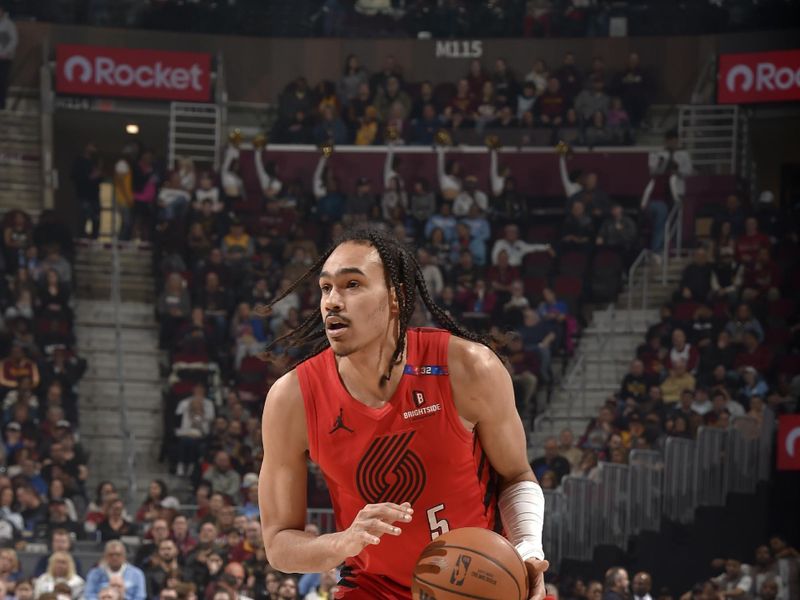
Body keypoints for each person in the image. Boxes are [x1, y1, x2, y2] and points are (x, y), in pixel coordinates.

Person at [257, 230, 548, 600]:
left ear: (396, 298)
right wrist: (342, 542)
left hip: (480, 580)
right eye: (326, 288)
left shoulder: (468, 368)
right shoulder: (292, 399)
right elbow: (278, 545)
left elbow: (517, 475)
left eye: (352, 284)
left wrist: (526, 552)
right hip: (373, 587)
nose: (332, 301)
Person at [72, 143, 103, 239]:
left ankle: (94, 237)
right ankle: (81, 237)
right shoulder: (79, 161)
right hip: (83, 194)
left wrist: (98, 175)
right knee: (84, 217)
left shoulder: (95, 162)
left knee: (96, 218)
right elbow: (74, 176)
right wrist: (89, 177)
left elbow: (100, 178)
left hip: (94, 195)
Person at [0, 5, 17, 110]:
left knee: (2, 81)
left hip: (5, 58)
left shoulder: (9, 24)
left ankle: (2, 104)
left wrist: (6, 52)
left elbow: (14, 40)